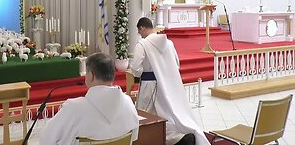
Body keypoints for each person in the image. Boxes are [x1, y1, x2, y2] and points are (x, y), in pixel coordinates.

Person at [129, 17, 210, 145]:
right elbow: (176, 64)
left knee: (147, 115)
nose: (140, 34)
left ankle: (152, 140)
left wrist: (140, 73)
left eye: (139, 31)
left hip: (149, 85)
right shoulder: (169, 43)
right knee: (169, 111)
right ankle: (177, 136)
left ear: (142, 28)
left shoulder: (142, 44)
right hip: (167, 83)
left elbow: (135, 68)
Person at [39, 52, 139, 144]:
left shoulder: (73, 108)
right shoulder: (128, 102)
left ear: (91, 75)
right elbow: (134, 136)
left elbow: (46, 139)